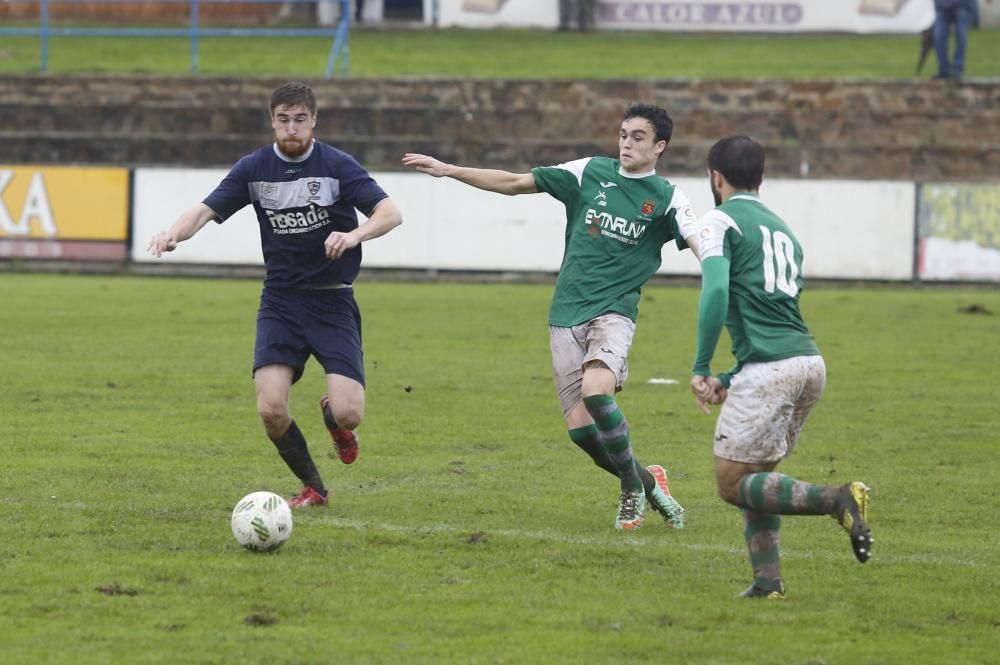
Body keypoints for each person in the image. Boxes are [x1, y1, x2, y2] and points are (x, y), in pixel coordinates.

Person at [403, 103, 697, 531]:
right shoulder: (588, 172)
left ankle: (630, 490)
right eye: (623, 134)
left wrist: (729, 277)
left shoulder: (668, 197)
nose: (626, 143)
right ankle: (648, 482)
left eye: (637, 137)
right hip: (566, 313)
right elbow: (514, 183)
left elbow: (699, 241)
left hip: (615, 313)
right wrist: (448, 169)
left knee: (598, 393)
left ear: (660, 145)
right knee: (581, 433)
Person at [148, 81, 403, 508]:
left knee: (349, 413)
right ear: (272, 121)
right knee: (270, 408)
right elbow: (205, 209)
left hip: (332, 300)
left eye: (300, 119)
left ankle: (334, 420)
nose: (291, 128)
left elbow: (390, 212)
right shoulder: (254, 168)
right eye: (283, 120)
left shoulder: (336, 165)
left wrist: (354, 234)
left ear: (314, 120)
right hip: (281, 302)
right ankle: (314, 488)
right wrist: (173, 233)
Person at [689, 135, 873, 598]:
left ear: (715, 177)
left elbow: (715, 293)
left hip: (774, 369)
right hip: (807, 362)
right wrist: (730, 378)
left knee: (732, 485)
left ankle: (837, 499)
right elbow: (774, 315)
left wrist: (701, 365)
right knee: (757, 478)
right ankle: (767, 582)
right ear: (762, 179)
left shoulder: (718, 219)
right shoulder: (785, 231)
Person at [931, 0, 990, 79]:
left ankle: (957, 70)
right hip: (942, 7)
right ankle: (943, 70)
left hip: (962, 6)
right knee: (939, 38)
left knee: (961, 37)